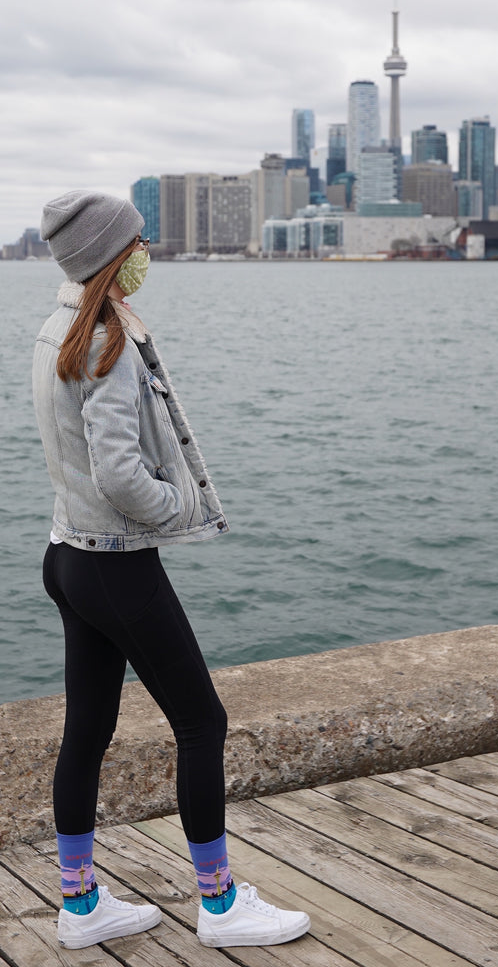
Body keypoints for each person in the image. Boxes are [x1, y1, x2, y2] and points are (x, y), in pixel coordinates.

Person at [32, 190, 311, 951]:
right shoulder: (107, 341)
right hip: (116, 563)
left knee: (86, 730)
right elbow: (120, 474)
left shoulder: (57, 329)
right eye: (139, 241)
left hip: (67, 556)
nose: (148, 250)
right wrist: (175, 505)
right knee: (202, 722)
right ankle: (220, 906)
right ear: (114, 257)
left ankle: (80, 902)